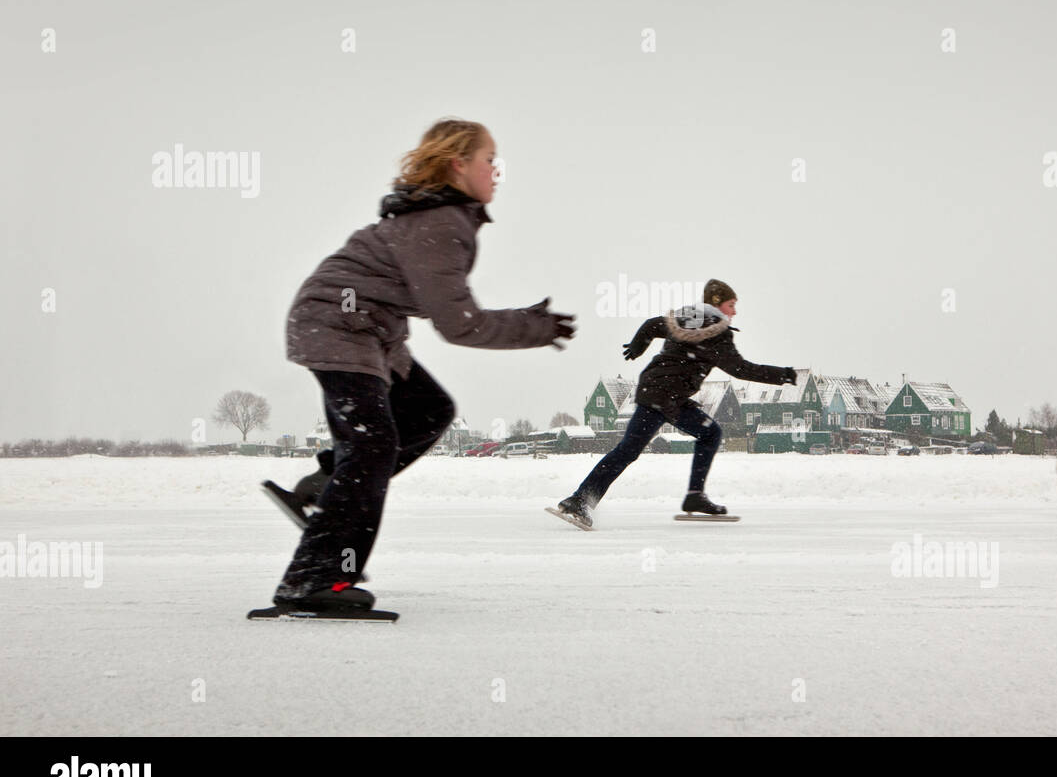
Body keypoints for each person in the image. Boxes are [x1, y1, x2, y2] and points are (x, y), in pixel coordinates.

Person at [269, 117, 576, 611]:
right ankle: (312, 581)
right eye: (488, 160)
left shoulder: (442, 217)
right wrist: (530, 328)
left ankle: (325, 487)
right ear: (459, 164)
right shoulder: (440, 224)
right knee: (372, 444)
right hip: (339, 324)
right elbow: (459, 325)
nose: (496, 171)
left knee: (428, 410)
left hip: (367, 330)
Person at [553, 279, 795, 530]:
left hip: (659, 393)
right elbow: (742, 369)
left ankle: (692, 497)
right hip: (663, 398)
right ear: (717, 304)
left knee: (697, 435)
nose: (735, 311)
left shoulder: (684, 318)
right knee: (646, 446)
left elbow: (651, 325)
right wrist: (785, 375)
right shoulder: (718, 336)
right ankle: (583, 499)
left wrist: (638, 346)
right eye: (731, 305)